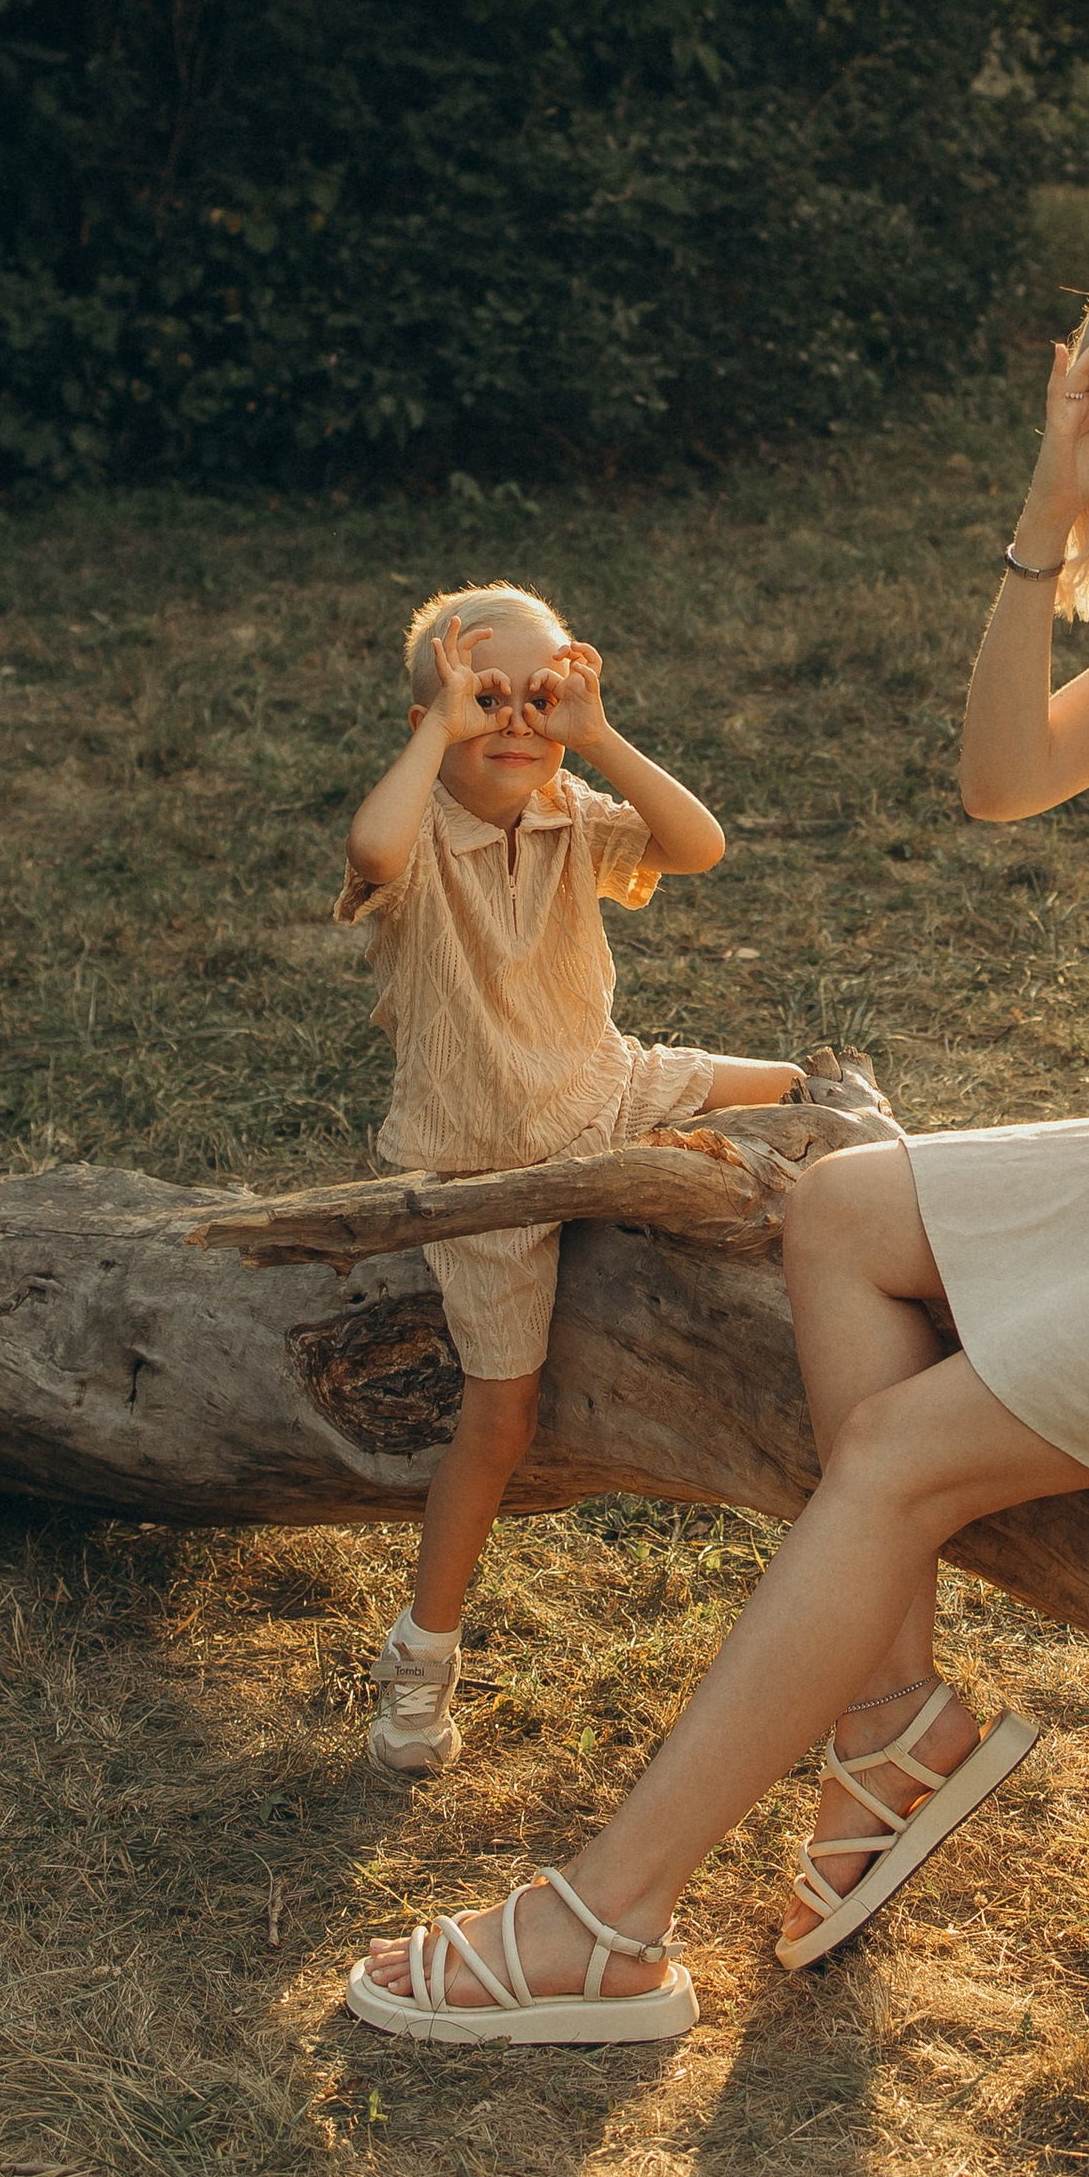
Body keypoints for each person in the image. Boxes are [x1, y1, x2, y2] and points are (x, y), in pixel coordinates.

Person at [347, 252, 1089, 2046]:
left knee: (900, 1459)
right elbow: (1002, 780)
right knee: (839, 1209)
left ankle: (605, 1925)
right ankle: (898, 1725)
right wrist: (1041, 509)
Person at [337, 581, 802, 1781]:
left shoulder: (564, 803)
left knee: (800, 1093)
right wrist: (443, 729)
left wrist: (592, 735)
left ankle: (857, 1270)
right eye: (481, 696)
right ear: (429, 718)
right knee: (500, 1418)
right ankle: (421, 1655)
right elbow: (370, 847)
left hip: (604, 1089)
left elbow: (699, 845)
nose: (513, 719)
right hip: (479, 1156)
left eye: (536, 696)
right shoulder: (419, 831)